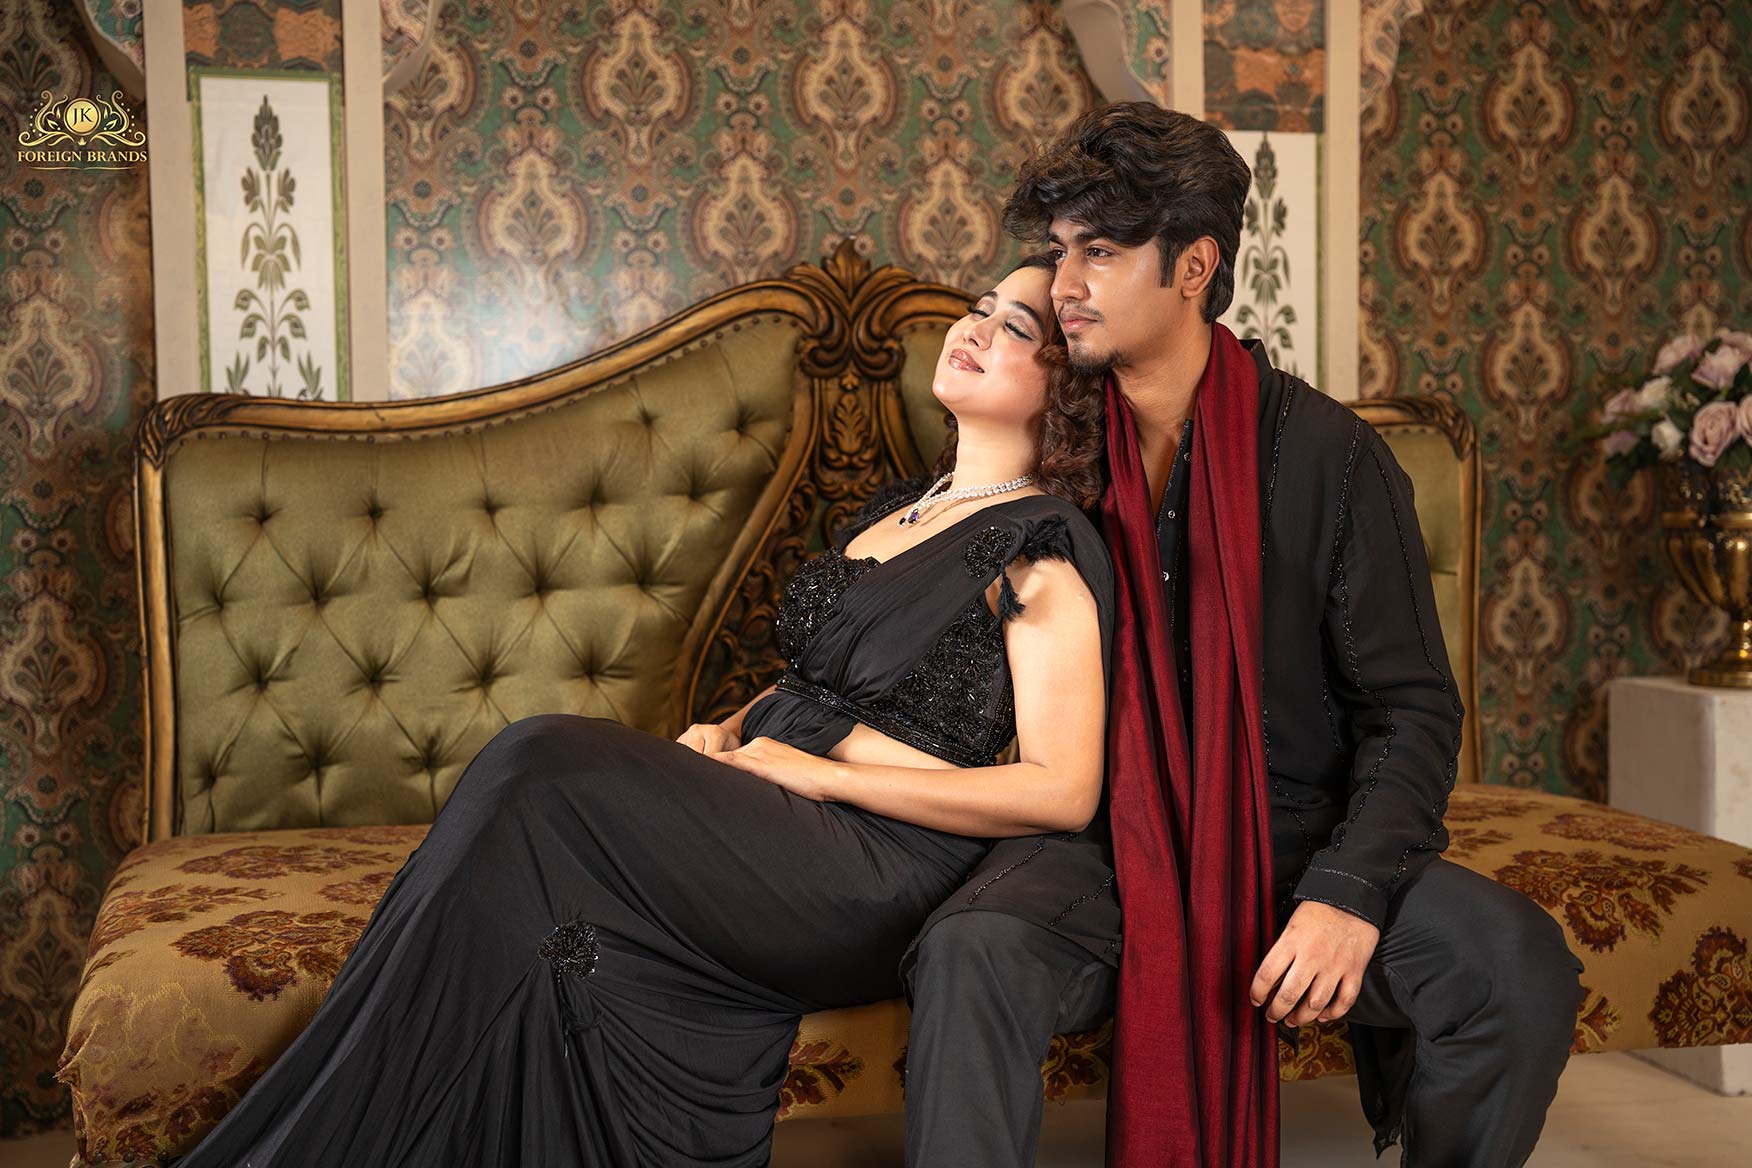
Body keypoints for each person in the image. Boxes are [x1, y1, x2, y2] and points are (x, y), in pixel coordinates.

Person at [166, 256, 1119, 1168]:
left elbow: (1062, 791)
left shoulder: (1038, 552)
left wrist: (823, 776)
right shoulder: (905, 509)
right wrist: (733, 727)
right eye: (979, 307)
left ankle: (332, 1132)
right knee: (534, 884)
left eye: (1015, 328)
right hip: (781, 812)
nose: (973, 329)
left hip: (874, 866)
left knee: (540, 763)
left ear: (1066, 389)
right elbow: (826, 683)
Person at [899, 103, 1586, 1168]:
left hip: (1289, 838)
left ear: (1194, 266)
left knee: (1514, 965)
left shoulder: (1329, 456)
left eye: (1101, 251)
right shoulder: (1045, 435)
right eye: (1060, 250)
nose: (1065, 282)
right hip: (1095, 844)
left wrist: (1347, 894)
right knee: (972, 949)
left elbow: (1410, 710)